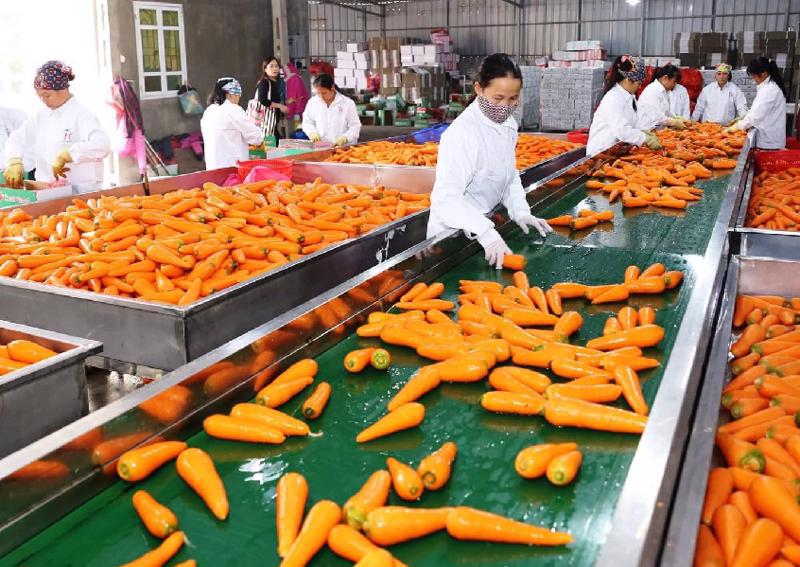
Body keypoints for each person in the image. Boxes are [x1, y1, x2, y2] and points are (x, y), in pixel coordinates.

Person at [426, 53, 552, 270]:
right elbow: (445, 201)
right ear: (478, 89)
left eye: (513, 99)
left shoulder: (509, 125)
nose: (505, 106)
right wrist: (485, 232)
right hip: (453, 235)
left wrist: (520, 211)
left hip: (486, 227)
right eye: (498, 98)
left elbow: (508, 176)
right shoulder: (462, 134)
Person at [4, 61, 110, 193]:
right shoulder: (40, 117)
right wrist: (15, 160)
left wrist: (68, 154)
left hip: (80, 195)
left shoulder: (82, 115)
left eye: (47, 95)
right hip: (45, 192)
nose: (44, 100)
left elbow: (102, 144)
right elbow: (16, 139)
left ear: (62, 89)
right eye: (40, 96)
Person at [587, 55, 661, 157]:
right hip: (600, 152)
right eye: (638, 83)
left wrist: (643, 132)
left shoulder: (630, 97)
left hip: (615, 150)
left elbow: (633, 122)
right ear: (627, 80)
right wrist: (644, 138)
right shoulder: (613, 98)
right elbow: (622, 130)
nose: (639, 87)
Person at [201, 77, 264, 170]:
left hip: (212, 167)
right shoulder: (233, 110)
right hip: (232, 168)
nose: (239, 98)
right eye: (238, 95)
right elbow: (256, 137)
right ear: (230, 94)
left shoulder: (209, 111)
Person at [727, 57, 786, 150]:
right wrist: (743, 117)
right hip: (768, 137)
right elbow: (758, 109)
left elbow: (756, 116)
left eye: (754, 76)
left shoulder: (769, 90)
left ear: (764, 74)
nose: (753, 80)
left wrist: (737, 127)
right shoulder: (768, 86)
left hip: (769, 141)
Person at [301, 74, 361, 147]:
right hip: (321, 147)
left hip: (344, 148)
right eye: (318, 93)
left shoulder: (347, 103)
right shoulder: (313, 102)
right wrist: (312, 132)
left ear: (332, 88)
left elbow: (355, 126)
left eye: (324, 93)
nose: (321, 96)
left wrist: (345, 138)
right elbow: (307, 122)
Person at [637, 64, 690, 131]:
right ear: (665, 78)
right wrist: (675, 122)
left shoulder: (664, 92)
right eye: (674, 82)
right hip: (646, 131)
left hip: (657, 130)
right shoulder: (652, 90)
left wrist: (677, 118)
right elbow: (657, 117)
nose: (674, 85)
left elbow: (666, 113)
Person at [257, 57, 289, 140]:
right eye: (271, 66)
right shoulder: (264, 82)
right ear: (265, 69)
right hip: (266, 122)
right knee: (275, 145)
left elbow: (273, 100)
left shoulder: (275, 82)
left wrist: (286, 103)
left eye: (276, 66)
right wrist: (280, 106)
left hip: (271, 122)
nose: (275, 68)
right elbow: (263, 100)